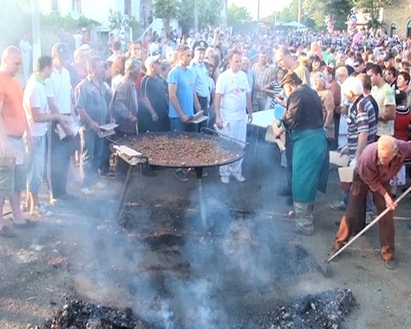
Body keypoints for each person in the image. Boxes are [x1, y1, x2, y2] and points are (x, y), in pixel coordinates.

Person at [332, 136, 411, 270]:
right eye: (380, 157)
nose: (381, 160)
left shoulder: (403, 148)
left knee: (386, 213)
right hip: (363, 177)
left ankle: (388, 254)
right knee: (352, 211)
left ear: (395, 153)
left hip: (384, 178)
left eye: (385, 158)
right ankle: (338, 244)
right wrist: (387, 196)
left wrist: (387, 199)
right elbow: (372, 182)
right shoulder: (368, 155)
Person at [274, 72, 328, 235]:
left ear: (290, 85)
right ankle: (303, 215)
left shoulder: (297, 94)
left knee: (302, 180)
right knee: (309, 180)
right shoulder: (311, 92)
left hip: (307, 143)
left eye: (285, 89)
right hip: (316, 139)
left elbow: (291, 117)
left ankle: (304, 224)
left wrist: (279, 127)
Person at [24, 55, 66, 216]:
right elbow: (36, 116)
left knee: (34, 170)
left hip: (38, 134)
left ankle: (29, 203)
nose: (52, 71)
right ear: (47, 68)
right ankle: (36, 205)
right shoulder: (35, 86)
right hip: (36, 135)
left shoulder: (40, 84)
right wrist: (55, 117)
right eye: (52, 68)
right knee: (36, 171)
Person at [0, 46, 34, 238]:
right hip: (6, 142)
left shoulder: (16, 81)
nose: (19, 67)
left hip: (18, 139)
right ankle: (0, 223)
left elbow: (20, 109)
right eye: (16, 63)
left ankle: (18, 218)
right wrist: (3, 142)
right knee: (3, 182)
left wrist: (27, 132)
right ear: (5, 60)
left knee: (18, 180)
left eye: (20, 63)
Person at [46, 43, 78, 204]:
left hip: (66, 116)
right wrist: (62, 122)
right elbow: (52, 103)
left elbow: (68, 96)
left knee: (66, 156)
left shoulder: (66, 73)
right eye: (61, 58)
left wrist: (71, 117)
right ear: (54, 57)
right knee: (55, 157)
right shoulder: (49, 75)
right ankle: (54, 194)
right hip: (54, 119)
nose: (64, 61)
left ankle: (63, 191)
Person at [215, 49, 253, 184]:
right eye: (236, 61)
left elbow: (247, 93)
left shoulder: (243, 75)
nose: (239, 64)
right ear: (230, 61)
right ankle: (224, 172)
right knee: (226, 145)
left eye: (240, 61)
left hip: (241, 116)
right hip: (228, 116)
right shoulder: (223, 77)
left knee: (240, 144)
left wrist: (250, 111)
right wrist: (218, 116)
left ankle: (236, 171)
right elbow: (218, 96)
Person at [75, 56, 111, 195]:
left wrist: (110, 117)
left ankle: (95, 180)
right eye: (100, 67)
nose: (103, 69)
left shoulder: (102, 84)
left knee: (98, 154)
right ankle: (86, 183)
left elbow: (105, 103)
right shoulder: (83, 86)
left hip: (102, 126)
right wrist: (91, 122)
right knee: (87, 155)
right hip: (89, 127)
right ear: (91, 70)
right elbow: (79, 108)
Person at [167, 44, 202, 182]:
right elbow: (172, 95)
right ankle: (178, 168)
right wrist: (181, 114)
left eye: (190, 55)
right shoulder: (174, 73)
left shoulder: (190, 72)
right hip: (177, 116)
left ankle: (190, 165)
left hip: (191, 115)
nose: (190, 58)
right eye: (187, 55)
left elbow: (192, 90)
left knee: (192, 141)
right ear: (180, 55)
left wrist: (197, 105)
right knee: (178, 143)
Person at [139, 54, 169, 132]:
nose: (160, 65)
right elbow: (144, 98)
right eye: (158, 63)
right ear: (152, 67)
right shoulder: (145, 80)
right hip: (153, 118)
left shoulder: (158, 78)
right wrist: (153, 113)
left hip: (163, 115)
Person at [367, 64, 396, 137]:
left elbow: (391, 115)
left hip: (384, 134)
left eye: (370, 76)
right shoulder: (373, 88)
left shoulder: (388, 91)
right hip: (374, 131)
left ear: (378, 75)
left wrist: (372, 116)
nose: (368, 79)